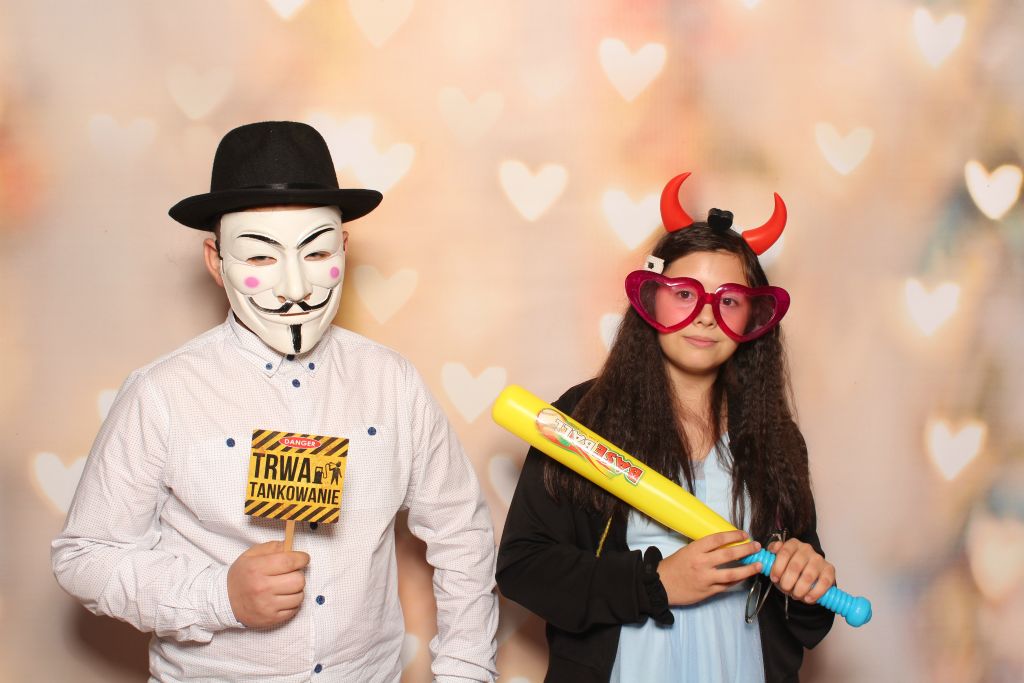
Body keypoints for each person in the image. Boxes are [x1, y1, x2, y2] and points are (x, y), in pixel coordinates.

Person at [52, 121, 499, 682]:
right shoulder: (161, 393)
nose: (295, 287)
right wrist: (218, 595)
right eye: (261, 258)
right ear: (216, 261)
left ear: (344, 249)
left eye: (316, 253)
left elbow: (462, 534)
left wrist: (465, 672)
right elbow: (85, 556)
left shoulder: (393, 383)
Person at [496, 173, 835, 682]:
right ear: (651, 298)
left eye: (728, 300)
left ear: (752, 316)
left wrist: (807, 581)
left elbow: (805, 622)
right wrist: (654, 583)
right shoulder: (585, 419)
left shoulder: (776, 437)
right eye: (684, 294)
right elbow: (524, 568)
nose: (705, 316)